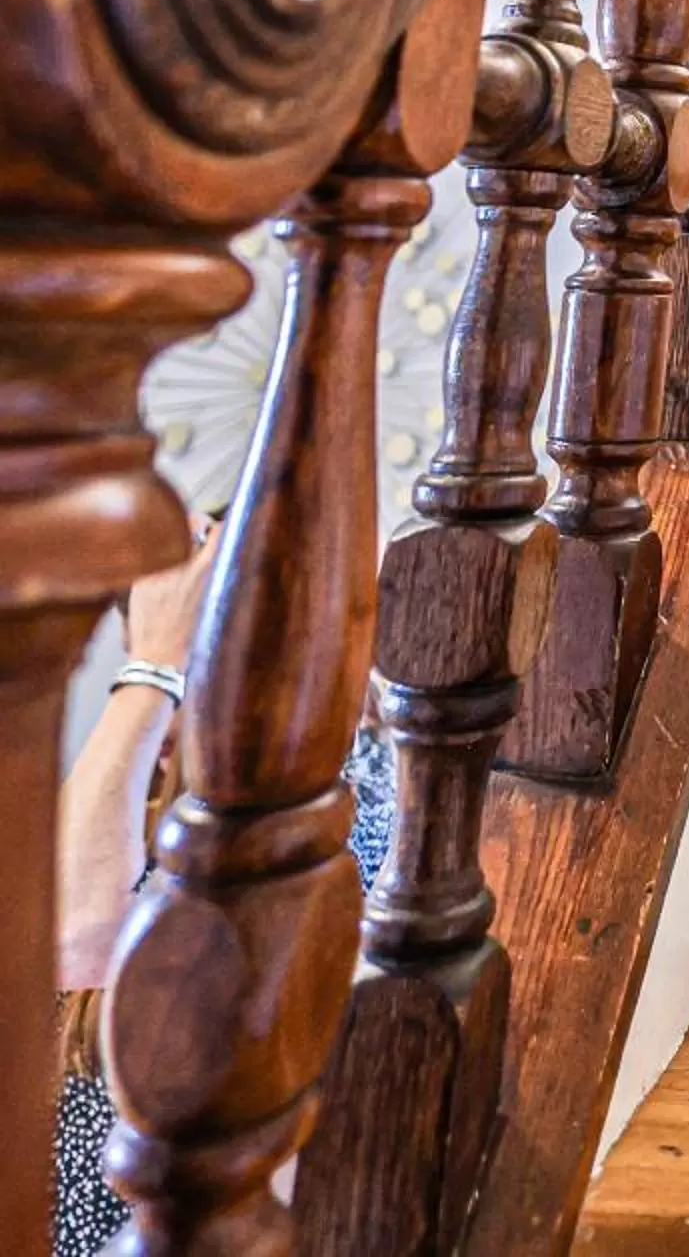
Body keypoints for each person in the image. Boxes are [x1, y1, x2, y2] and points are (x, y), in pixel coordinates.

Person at [52, 520, 394, 1252]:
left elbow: (77, 934)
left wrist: (154, 671)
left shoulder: (350, 803)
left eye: (194, 662)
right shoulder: (134, 811)